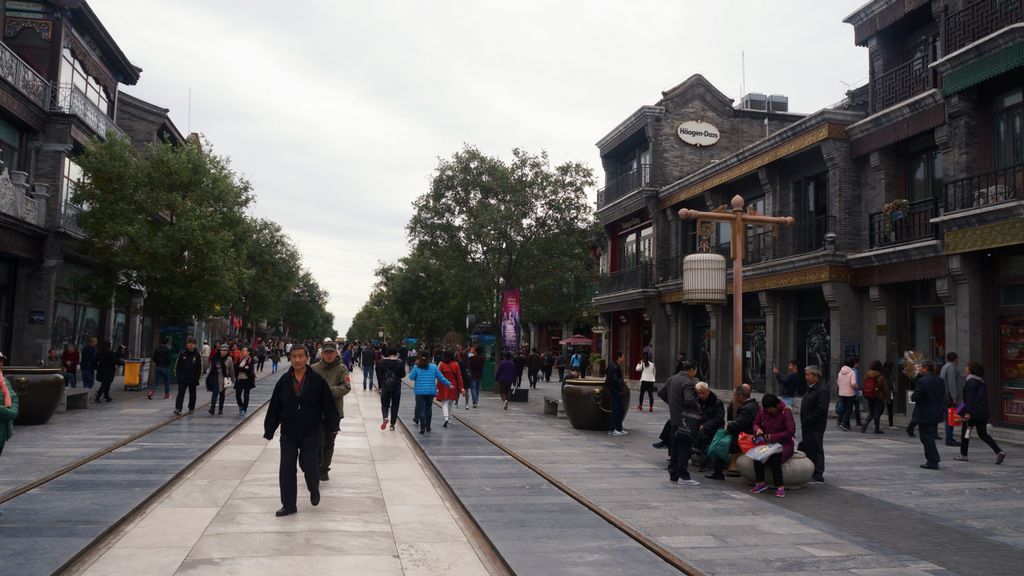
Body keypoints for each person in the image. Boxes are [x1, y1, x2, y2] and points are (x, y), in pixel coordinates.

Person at [263, 345, 340, 517]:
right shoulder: (283, 381)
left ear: (307, 358)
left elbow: (328, 404)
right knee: (287, 468)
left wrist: (333, 425)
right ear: (290, 358)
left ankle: (314, 488)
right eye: (294, 356)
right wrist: (270, 429)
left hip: (311, 432)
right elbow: (275, 406)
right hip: (288, 433)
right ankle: (289, 505)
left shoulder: (317, 381)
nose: (297, 360)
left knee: (309, 465)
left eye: (300, 356)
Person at [311, 341, 350, 481]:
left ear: (336, 354)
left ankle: (324, 467)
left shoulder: (342, 369)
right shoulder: (314, 368)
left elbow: (346, 387)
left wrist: (327, 390)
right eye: (326, 352)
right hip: (316, 412)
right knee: (317, 441)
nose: (328, 355)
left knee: (329, 442)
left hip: (334, 413)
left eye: (331, 353)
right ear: (322, 354)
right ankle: (315, 466)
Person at [955, 362, 1006, 464]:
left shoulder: (970, 382)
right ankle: (999, 451)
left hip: (972, 414)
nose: (965, 369)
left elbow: (970, 399)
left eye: (967, 367)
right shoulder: (981, 382)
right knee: (983, 434)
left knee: (966, 433)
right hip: (982, 413)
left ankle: (963, 455)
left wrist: (968, 412)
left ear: (970, 370)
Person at [658, 361, 700, 486]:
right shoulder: (688, 382)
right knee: (684, 448)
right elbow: (689, 400)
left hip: (674, 419)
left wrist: (672, 404)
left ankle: (673, 473)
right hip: (685, 420)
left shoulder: (672, 379)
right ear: (692, 370)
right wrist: (697, 407)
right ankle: (683, 476)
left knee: (675, 447)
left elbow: (661, 393)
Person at [706, 384, 759, 480]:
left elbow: (739, 424)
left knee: (721, 445)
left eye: (735, 395)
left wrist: (730, 424)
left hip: (744, 437)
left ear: (741, 396)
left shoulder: (748, 408)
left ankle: (718, 472)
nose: (734, 398)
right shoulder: (750, 405)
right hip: (741, 434)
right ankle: (717, 471)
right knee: (721, 443)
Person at [749, 394, 796, 498]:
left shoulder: (785, 411)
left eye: (770, 409)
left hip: (784, 443)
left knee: (775, 458)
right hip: (768, 443)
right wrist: (758, 429)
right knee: (757, 456)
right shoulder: (763, 411)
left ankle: (780, 486)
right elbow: (755, 423)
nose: (768, 411)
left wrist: (772, 437)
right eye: (766, 409)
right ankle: (760, 483)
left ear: (776, 406)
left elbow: (790, 431)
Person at [911, 359, 945, 470]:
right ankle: (933, 459)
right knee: (929, 436)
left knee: (926, 437)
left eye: (920, 367)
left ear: (925, 368)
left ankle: (933, 460)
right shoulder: (940, 380)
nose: (919, 369)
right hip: (936, 412)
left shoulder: (922, 381)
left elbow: (915, 397)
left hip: (924, 413)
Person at [799, 365, 829, 482]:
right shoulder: (812, 387)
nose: (806, 377)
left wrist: (809, 419)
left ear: (816, 376)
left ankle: (818, 473)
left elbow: (821, 409)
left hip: (815, 425)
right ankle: (810, 470)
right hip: (807, 425)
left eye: (808, 375)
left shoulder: (822, 389)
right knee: (808, 447)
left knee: (816, 448)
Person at [408, 355, 450, 434]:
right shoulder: (434, 367)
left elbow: (411, 377)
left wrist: (415, 367)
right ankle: (428, 426)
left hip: (419, 391)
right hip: (430, 391)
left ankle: (422, 427)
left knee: (421, 408)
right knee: (428, 408)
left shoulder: (417, 366)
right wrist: (448, 384)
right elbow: (441, 377)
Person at [693, 382, 724, 470]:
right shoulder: (697, 401)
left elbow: (719, 419)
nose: (701, 395)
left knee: (704, 434)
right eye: (699, 393)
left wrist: (705, 425)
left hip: (714, 428)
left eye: (703, 393)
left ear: (708, 391)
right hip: (702, 426)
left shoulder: (717, 403)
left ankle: (703, 461)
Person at [376, 346, 406, 430]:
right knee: (395, 405)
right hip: (396, 386)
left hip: (386, 386)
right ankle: (392, 425)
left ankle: (385, 417)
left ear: (387, 353)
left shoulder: (383, 362)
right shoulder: (400, 363)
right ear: (396, 353)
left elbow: (380, 374)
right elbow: (403, 375)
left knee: (384, 404)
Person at [940, 352, 965, 447]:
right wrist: (954, 397)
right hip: (950, 397)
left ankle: (949, 438)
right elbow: (952, 383)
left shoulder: (944, 367)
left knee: (949, 418)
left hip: (945, 396)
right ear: (955, 359)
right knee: (950, 418)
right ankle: (949, 439)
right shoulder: (951, 368)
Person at [174, 338, 202, 415]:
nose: (191, 345)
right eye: (189, 343)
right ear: (187, 344)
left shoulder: (197, 355)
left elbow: (200, 367)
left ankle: (191, 408)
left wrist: (198, 377)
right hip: (183, 378)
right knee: (180, 393)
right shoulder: (182, 354)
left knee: (192, 394)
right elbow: (177, 366)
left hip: (193, 378)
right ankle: (178, 408)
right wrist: (178, 376)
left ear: (195, 345)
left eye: (193, 343)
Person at [860, 360, 889, 434]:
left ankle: (865, 425)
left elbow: (864, 384)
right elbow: (885, 388)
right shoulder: (881, 376)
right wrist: (888, 397)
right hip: (879, 396)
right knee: (877, 413)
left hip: (869, 395)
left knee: (871, 412)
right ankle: (876, 429)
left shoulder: (867, 374)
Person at [437, 350, 464, 428]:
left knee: (444, 403)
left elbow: (439, 377)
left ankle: (446, 418)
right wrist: (461, 387)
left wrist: (437, 387)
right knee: (450, 404)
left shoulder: (441, 364)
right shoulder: (456, 364)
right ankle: (450, 419)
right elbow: (459, 377)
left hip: (443, 385)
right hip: (453, 386)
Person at [206, 344, 235, 415]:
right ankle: (212, 408)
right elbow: (211, 367)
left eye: (226, 350)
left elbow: (231, 370)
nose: (224, 352)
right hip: (215, 377)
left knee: (222, 394)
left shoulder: (229, 359)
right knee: (215, 393)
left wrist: (232, 380)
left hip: (224, 379)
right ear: (220, 350)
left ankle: (220, 409)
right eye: (223, 350)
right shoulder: (215, 357)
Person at [1, 350, 19, 458]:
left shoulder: (4, 380)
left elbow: (14, 398)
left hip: (3, 429)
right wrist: (8, 412)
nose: (0, 364)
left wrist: (13, 411)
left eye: (1, 361)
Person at [604, 351, 627, 436]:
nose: (624, 359)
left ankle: (619, 428)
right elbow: (614, 380)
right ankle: (612, 429)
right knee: (616, 410)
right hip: (614, 391)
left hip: (615, 390)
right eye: (623, 357)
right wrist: (620, 387)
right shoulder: (615, 367)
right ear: (619, 358)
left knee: (621, 409)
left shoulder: (613, 365)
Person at [836, 357, 859, 431]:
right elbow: (853, 384)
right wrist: (856, 387)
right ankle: (843, 423)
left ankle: (847, 425)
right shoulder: (852, 372)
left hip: (842, 393)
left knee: (844, 408)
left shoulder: (840, 372)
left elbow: (838, 383)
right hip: (850, 394)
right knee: (849, 410)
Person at [235, 346, 256, 417]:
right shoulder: (240, 359)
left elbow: (249, 369)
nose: (243, 352)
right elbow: (236, 368)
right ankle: (240, 405)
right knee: (237, 395)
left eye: (244, 351)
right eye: (242, 350)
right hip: (239, 379)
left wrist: (242, 368)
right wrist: (243, 368)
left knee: (246, 396)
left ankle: (244, 409)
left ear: (248, 352)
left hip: (247, 380)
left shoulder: (250, 360)